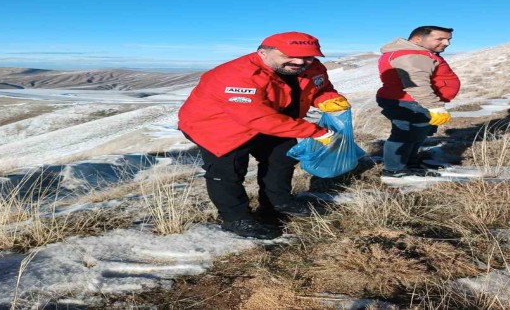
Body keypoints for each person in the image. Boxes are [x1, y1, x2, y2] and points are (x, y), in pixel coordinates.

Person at [178, 32, 350, 239]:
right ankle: (235, 219)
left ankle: (277, 204)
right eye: (289, 55)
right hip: (219, 127)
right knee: (228, 172)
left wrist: (327, 98)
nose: (299, 62)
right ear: (263, 53)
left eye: (308, 57)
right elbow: (259, 118)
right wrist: (316, 132)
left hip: (277, 121)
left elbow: (320, 88)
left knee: (282, 159)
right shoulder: (236, 75)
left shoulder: (312, 67)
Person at [376, 26, 461, 178]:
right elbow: (416, 84)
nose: (447, 43)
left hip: (414, 101)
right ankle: (394, 170)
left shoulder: (417, 53)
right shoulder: (412, 56)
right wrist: (435, 107)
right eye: (440, 39)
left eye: (448, 39)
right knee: (405, 134)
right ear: (417, 39)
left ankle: (409, 164)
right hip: (410, 102)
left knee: (416, 134)